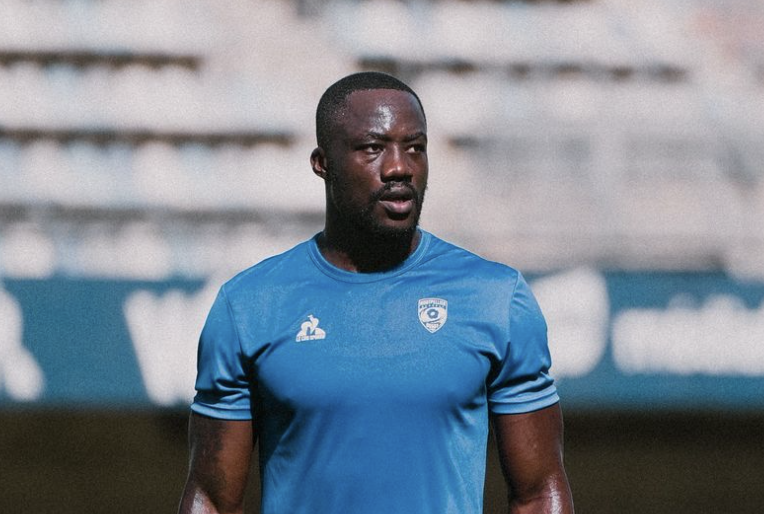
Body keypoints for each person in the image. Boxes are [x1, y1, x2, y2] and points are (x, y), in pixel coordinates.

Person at [178, 71, 574, 514]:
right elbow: (211, 499)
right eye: (373, 148)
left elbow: (539, 493)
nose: (399, 167)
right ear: (321, 163)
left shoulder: (496, 298)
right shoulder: (249, 306)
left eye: (415, 148)